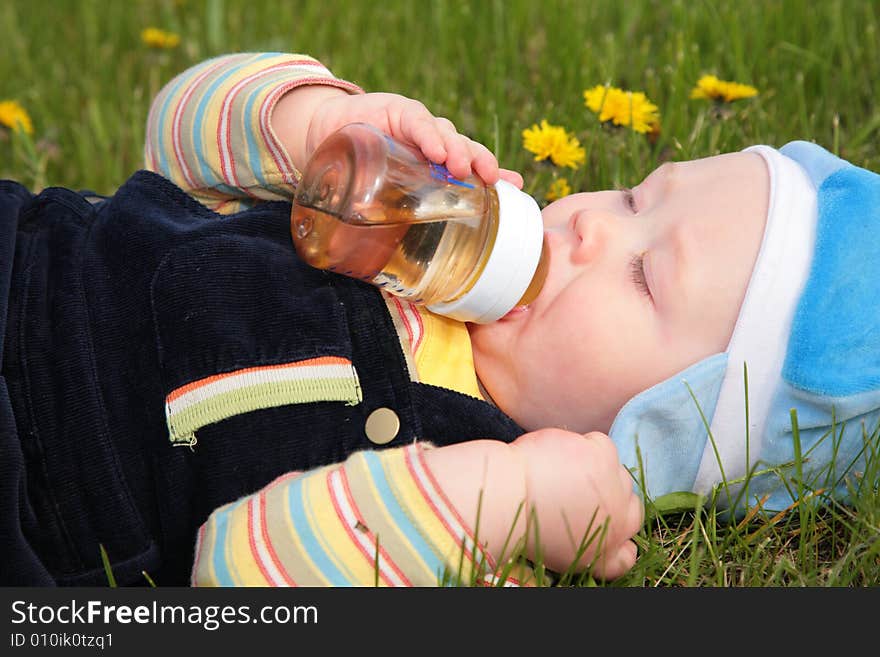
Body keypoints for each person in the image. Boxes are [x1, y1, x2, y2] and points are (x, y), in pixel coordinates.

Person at [2, 52, 877, 588]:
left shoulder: (470, 508)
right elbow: (172, 137)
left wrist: (512, 497)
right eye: (634, 194)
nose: (593, 223)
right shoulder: (411, 227)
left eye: (644, 275)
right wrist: (313, 122)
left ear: (664, 433)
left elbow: (236, 570)